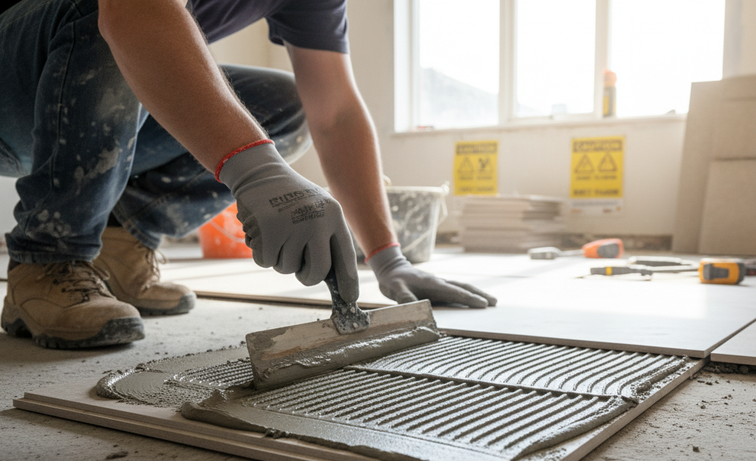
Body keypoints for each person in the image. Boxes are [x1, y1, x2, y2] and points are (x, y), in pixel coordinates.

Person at [0, 0, 495, 349]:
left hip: (87, 96)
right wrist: (257, 171)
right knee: (106, 9)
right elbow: (132, 13)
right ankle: (48, 258)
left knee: (283, 106)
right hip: (18, 89)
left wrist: (389, 260)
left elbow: (335, 113)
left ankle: (120, 245)